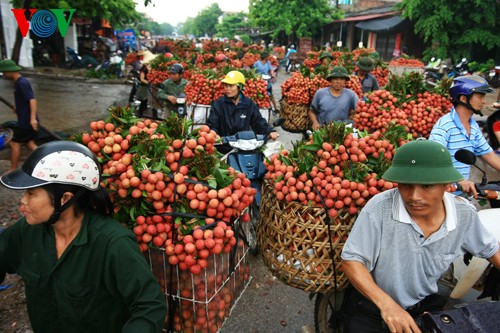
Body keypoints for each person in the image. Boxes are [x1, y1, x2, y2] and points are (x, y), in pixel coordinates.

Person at [0, 141, 167, 333]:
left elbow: (150, 306)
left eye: (31, 193)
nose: (23, 200)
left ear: (65, 199)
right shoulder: (26, 231)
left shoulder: (113, 244)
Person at [341, 139, 500, 333]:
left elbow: (492, 250)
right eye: (406, 185)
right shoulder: (379, 208)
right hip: (373, 306)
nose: (414, 196)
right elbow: (352, 260)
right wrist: (387, 306)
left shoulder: (463, 214)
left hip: (424, 304)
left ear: (446, 185)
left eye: (427, 186)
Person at [429, 75, 500, 196]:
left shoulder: (473, 126)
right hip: (444, 194)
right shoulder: (445, 125)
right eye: (480, 96)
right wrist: (460, 180)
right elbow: (434, 158)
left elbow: (487, 152)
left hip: (463, 193)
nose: (483, 101)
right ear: (463, 98)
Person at [207, 70, 278, 154]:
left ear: (240, 87)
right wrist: (214, 133)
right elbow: (212, 123)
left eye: (231, 86)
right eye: (226, 85)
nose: (227, 89)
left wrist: (270, 131)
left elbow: (258, 122)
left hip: (244, 148)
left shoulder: (249, 104)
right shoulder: (218, 104)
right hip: (222, 149)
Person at [0, 59, 38, 172]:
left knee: (14, 143)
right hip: (24, 119)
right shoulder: (18, 83)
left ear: (10, 71)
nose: (4, 74)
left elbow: (32, 100)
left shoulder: (22, 83)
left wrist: (32, 119)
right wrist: (17, 106)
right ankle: (49, 159)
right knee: (30, 144)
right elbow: (24, 99)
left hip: (26, 121)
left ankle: (13, 169)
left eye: (5, 72)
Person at [309, 66, 359, 130]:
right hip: (322, 129)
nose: (338, 82)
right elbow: (311, 111)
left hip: (341, 130)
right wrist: (315, 122)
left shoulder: (350, 94)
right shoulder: (320, 93)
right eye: (335, 79)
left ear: (345, 81)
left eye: (341, 79)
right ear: (330, 80)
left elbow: (360, 109)